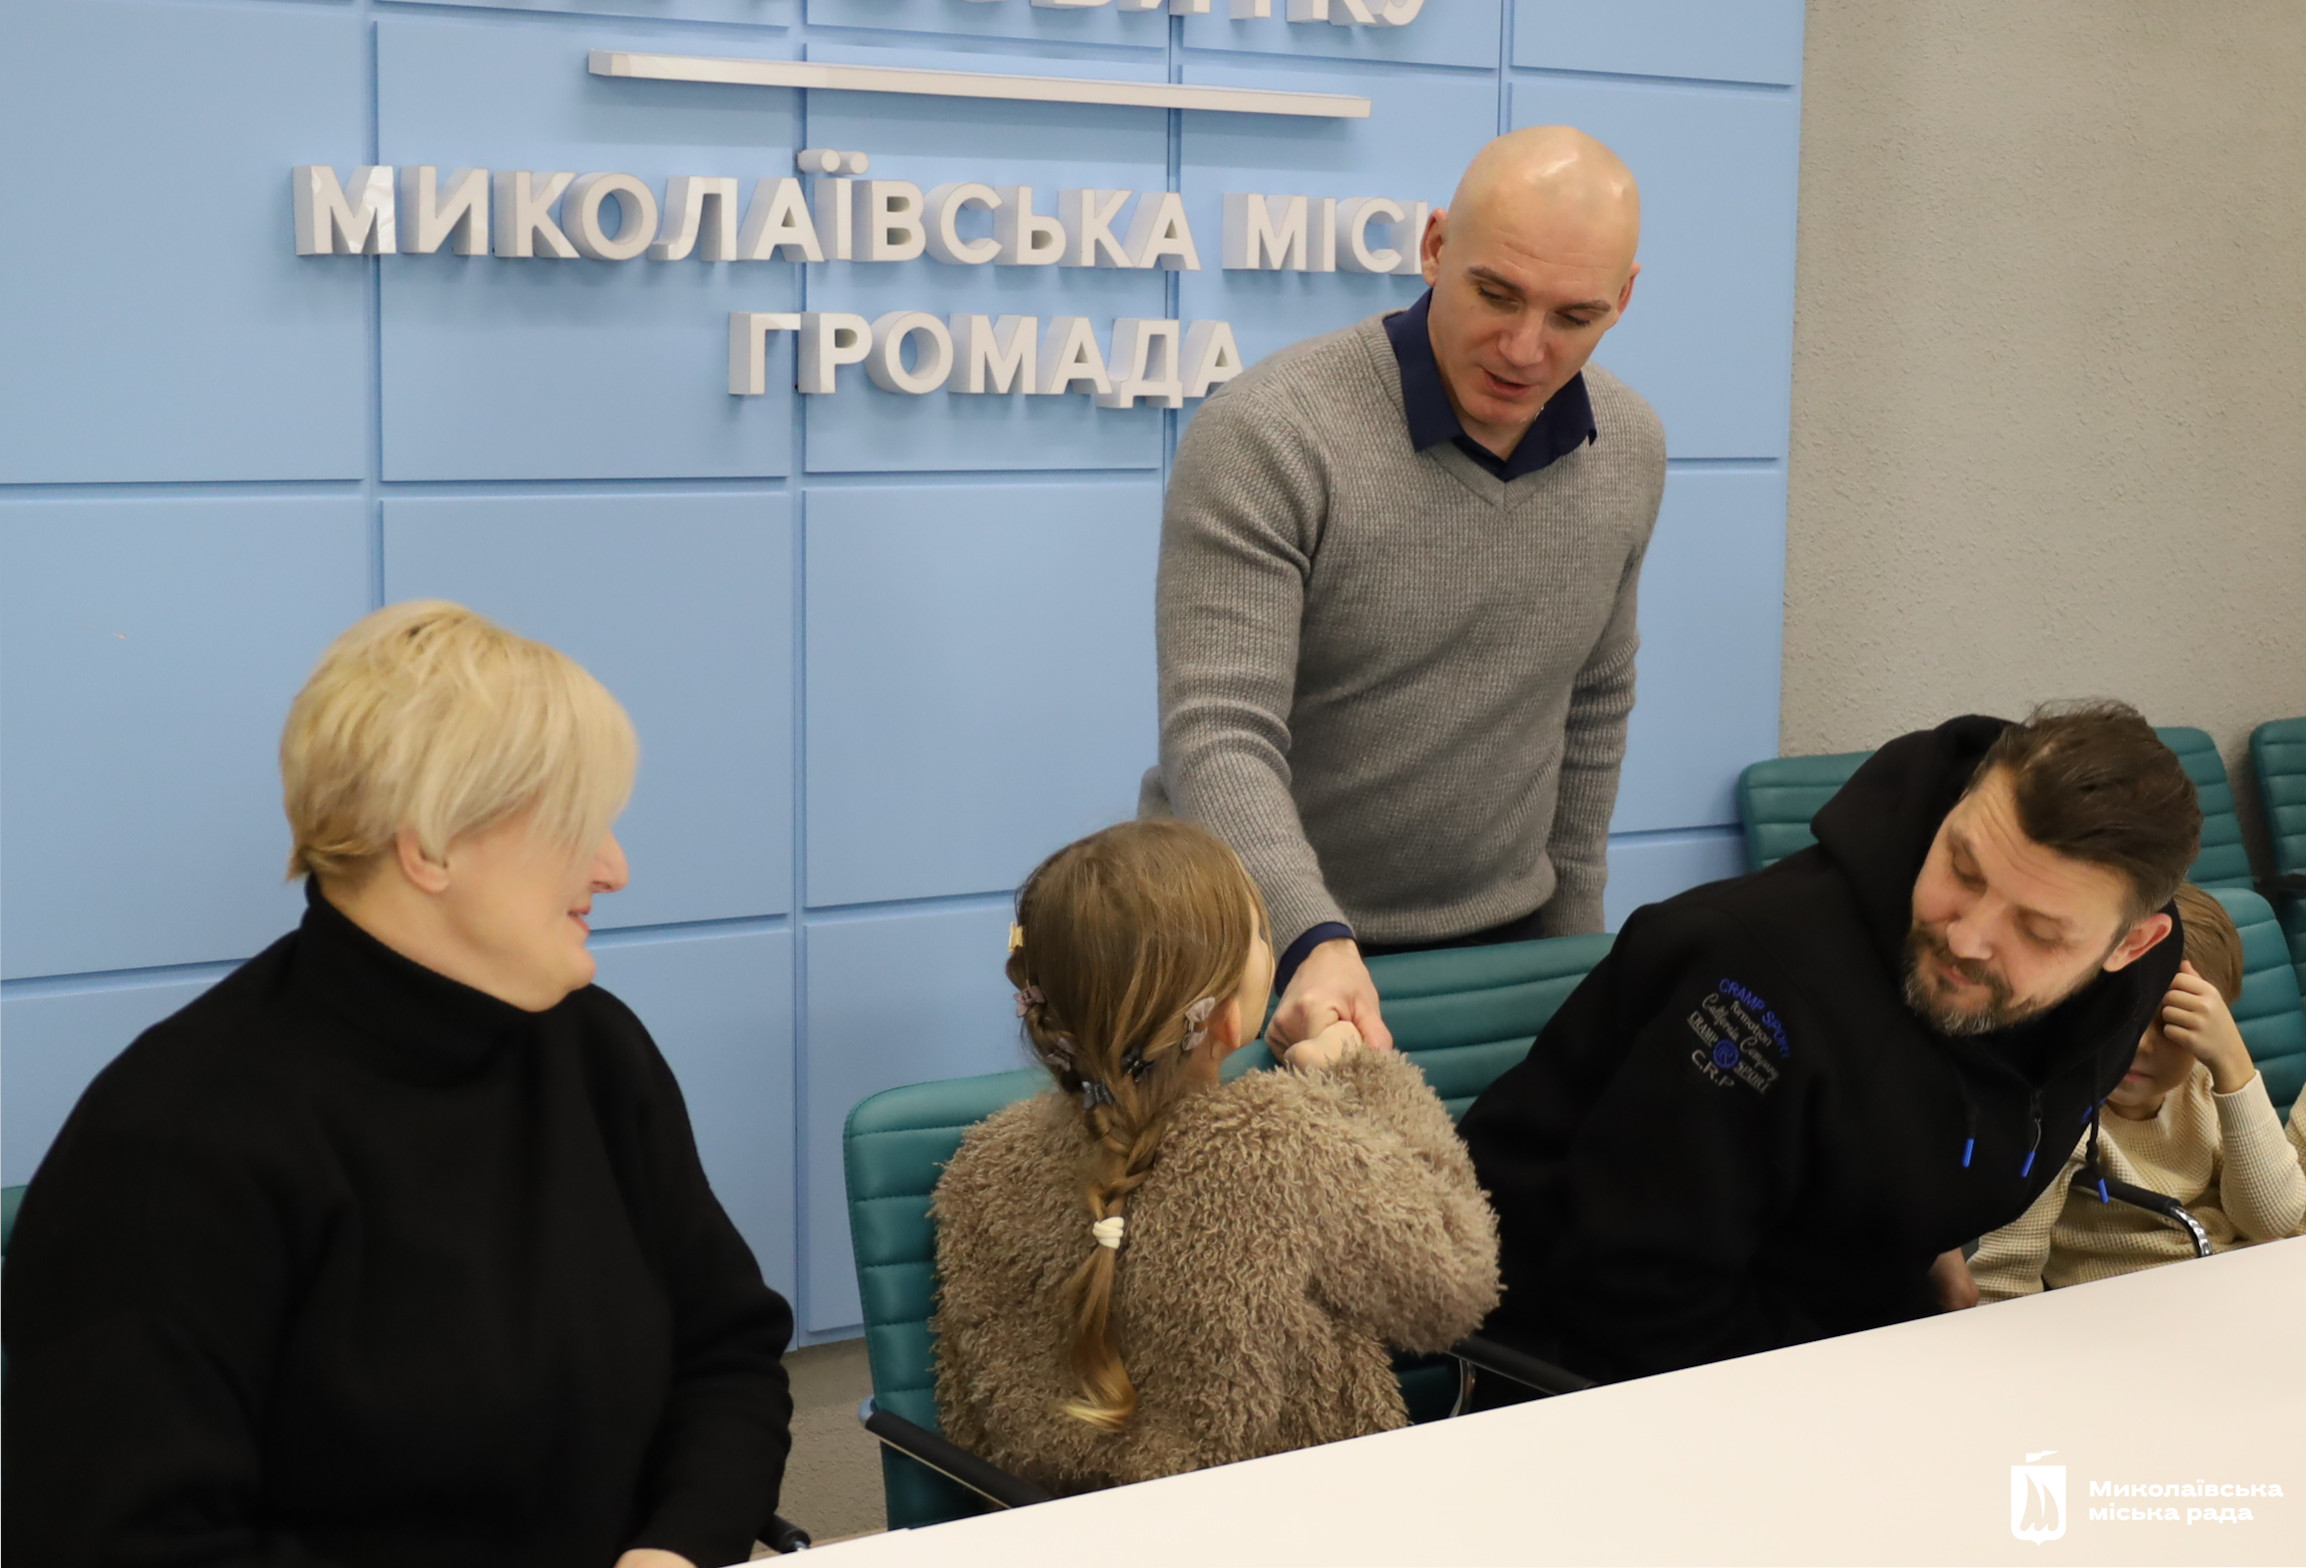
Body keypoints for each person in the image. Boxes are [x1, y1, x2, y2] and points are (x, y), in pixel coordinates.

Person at [3, 603, 795, 1568]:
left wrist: (673, 1552)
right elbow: (124, 1543)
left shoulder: (592, 1049)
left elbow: (725, 1353)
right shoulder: (173, 1142)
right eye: (577, 825)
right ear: (431, 847)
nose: (614, 867)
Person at [1458, 702, 2196, 1386]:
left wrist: (1929, 1239)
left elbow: (1949, 1103)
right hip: (1590, 1360)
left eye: (2037, 931)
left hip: (1834, 1328)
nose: (1967, 938)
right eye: (1962, 868)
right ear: (1953, 809)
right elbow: (1638, 1294)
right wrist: (1855, 1395)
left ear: (2129, 945)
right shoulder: (1753, 980)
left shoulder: (2132, 984)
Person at [1144, 124, 1665, 1058]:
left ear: (1622, 300)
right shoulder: (1271, 433)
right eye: (1495, 294)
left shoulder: (1628, 447)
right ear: (1434, 247)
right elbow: (1218, 731)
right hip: (1245, 948)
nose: (1525, 348)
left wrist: (1574, 952)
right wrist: (1312, 938)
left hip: (1497, 948)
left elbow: (1592, 700)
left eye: (1573, 317)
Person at [931, 819, 1499, 1492]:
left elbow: (967, 1408)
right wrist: (1363, 1075)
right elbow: (1458, 1285)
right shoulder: (1280, 1145)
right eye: (1260, 933)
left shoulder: (983, 1163)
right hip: (1296, 1521)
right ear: (1227, 1018)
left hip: (1060, 1530)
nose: (1271, 942)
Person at [1963, 885, 2306, 1298]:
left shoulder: (2210, 1086)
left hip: (2239, 1291)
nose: (2140, 1044)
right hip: (2130, 1313)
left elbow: (2272, 1221)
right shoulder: (2055, 1118)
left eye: (2172, 1021)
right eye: (2123, 1018)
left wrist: (2234, 1067)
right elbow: (2003, 1281)